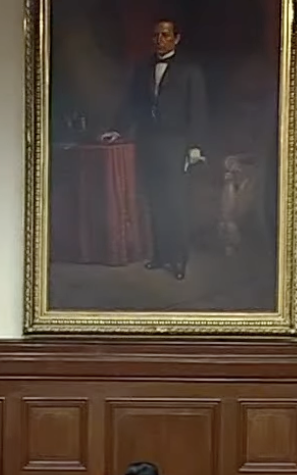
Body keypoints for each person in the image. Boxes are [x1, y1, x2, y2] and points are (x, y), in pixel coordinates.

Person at [99, 18, 209, 281]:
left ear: (176, 38)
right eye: (156, 35)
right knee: (154, 201)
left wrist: (194, 146)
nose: (160, 39)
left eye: (165, 35)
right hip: (148, 143)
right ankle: (160, 255)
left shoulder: (190, 70)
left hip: (176, 144)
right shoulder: (142, 68)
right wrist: (118, 129)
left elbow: (198, 110)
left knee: (176, 204)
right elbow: (131, 104)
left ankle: (178, 259)